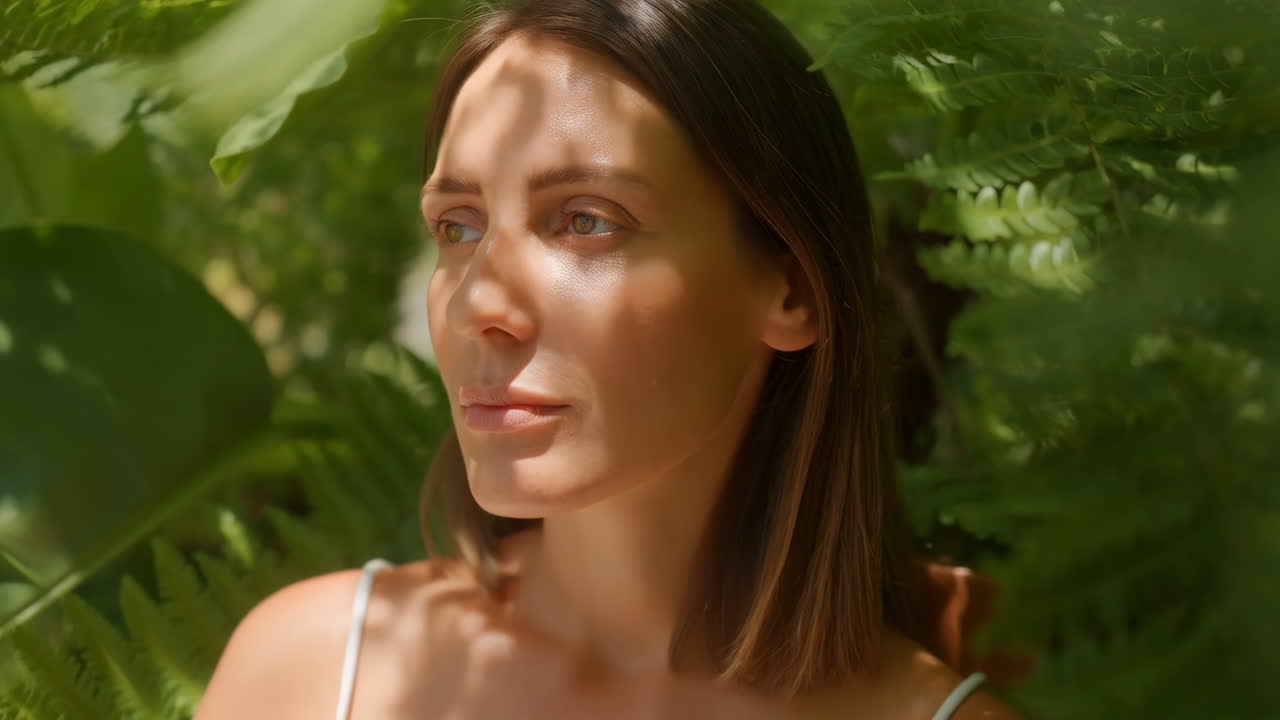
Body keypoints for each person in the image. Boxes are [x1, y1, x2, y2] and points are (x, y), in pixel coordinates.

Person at [194, 0, 1026, 717]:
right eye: (459, 226)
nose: (480, 303)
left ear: (793, 293)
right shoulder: (310, 674)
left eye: (586, 221)